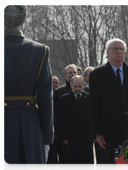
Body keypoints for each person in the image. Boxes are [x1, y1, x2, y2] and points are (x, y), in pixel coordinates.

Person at [0, 0, 53, 169]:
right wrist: (47, 136)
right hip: (30, 123)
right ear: (23, 22)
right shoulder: (40, 50)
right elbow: (45, 97)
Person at [89, 38, 128, 170]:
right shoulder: (98, 74)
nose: (119, 52)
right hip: (109, 129)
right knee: (110, 163)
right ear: (108, 52)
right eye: (115, 49)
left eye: (121, 49)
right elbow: (94, 105)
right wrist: (98, 133)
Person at [59, 75, 94, 170]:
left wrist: (94, 135)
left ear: (83, 85)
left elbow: (93, 118)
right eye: (75, 86)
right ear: (71, 85)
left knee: (86, 163)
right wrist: (64, 137)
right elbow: (61, 119)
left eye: (80, 86)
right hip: (71, 138)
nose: (78, 89)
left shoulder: (89, 98)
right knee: (71, 163)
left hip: (86, 137)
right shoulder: (64, 99)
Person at [53, 64, 77, 170]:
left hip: (82, 134)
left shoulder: (85, 92)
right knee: (65, 161)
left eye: (74, 72)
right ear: (64, 75)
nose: (72, 74)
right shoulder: (59, 92)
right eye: (70, 72)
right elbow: (58, 115)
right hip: (66, 134)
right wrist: (61, 134)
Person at [47, 76, 64, 170]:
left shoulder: (61, 94)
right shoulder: (47, 95)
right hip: (52, 130)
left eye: (56, 82)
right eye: (53, 82)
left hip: (61, 131)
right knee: (52, 157)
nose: (55, 84)